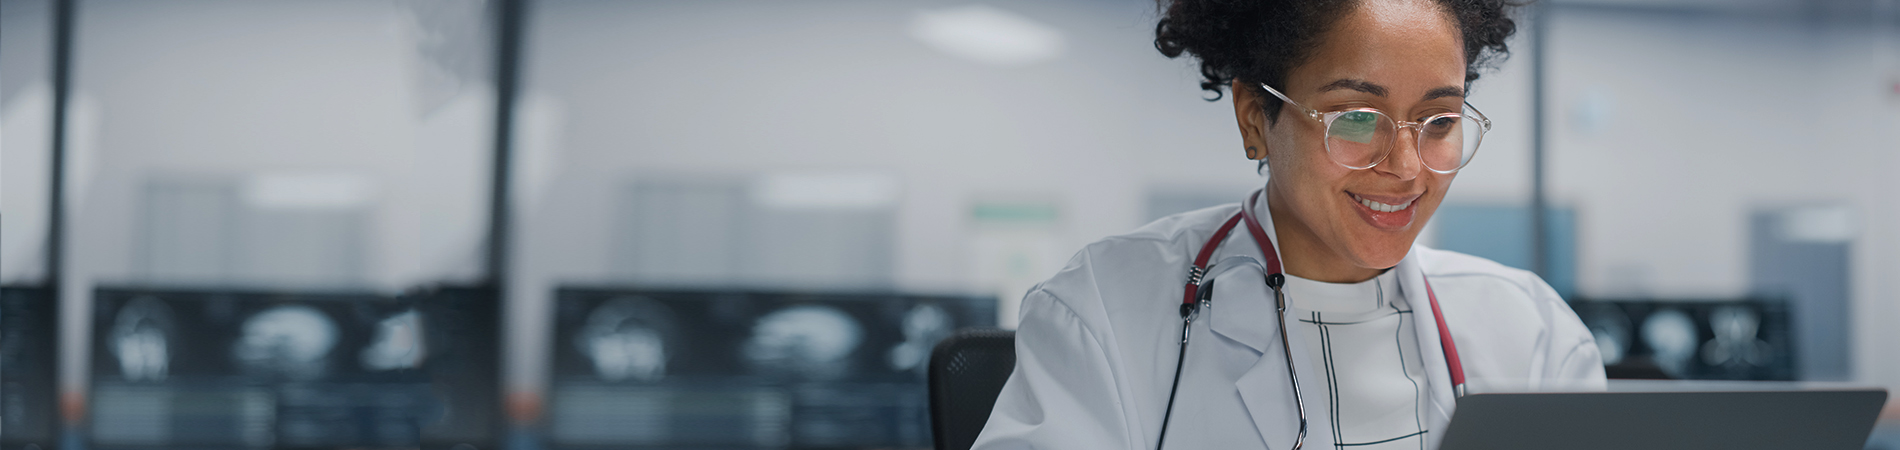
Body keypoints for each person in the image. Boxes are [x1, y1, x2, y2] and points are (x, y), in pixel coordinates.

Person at [971, 0, 1605, 448]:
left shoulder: (1533, 333)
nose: (1407, 168)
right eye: (1356, 118)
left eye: (1438, 122)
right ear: (1254, 119)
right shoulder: (1105, 310)